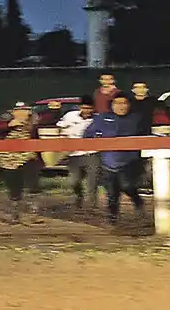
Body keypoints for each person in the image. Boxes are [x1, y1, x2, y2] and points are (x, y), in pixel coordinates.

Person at [83, 94, 145, 223]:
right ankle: (113, 219)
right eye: (117, 103)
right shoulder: (102, 118)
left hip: (129, 161)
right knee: (111, 193)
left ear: (129, 105)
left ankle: (137, 201)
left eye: (124, 103)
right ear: (112, 105)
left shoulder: (136, 118)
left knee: (127, 185)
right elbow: (87, 134)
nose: (121, 106)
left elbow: (145, 136)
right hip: (108, 161)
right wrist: (96, 139)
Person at [0, 102, 42, 223]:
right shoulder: (4, 122)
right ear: (13, 112)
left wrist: (54, 111)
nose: (22, 113)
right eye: (18, 111)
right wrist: (9, 125)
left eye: (25, 110)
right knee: (14, 186)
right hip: (9, 159)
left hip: (28, 157)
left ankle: (34, 212)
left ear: (29, 112)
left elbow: (50, 119)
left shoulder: (34, 123)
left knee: (33, 184)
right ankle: (15, 213)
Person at [55, 97, 99, 209]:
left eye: (89, 108)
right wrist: (63, 139)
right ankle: (78, 196)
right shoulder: (70, 116)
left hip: (92, 153)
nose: (87, 111)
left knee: (92, 181)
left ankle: (92, 205)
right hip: (73, 153)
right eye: (84, 108)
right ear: (80, 107)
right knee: (74, 181)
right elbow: (60, 127)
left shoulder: (98, 119)